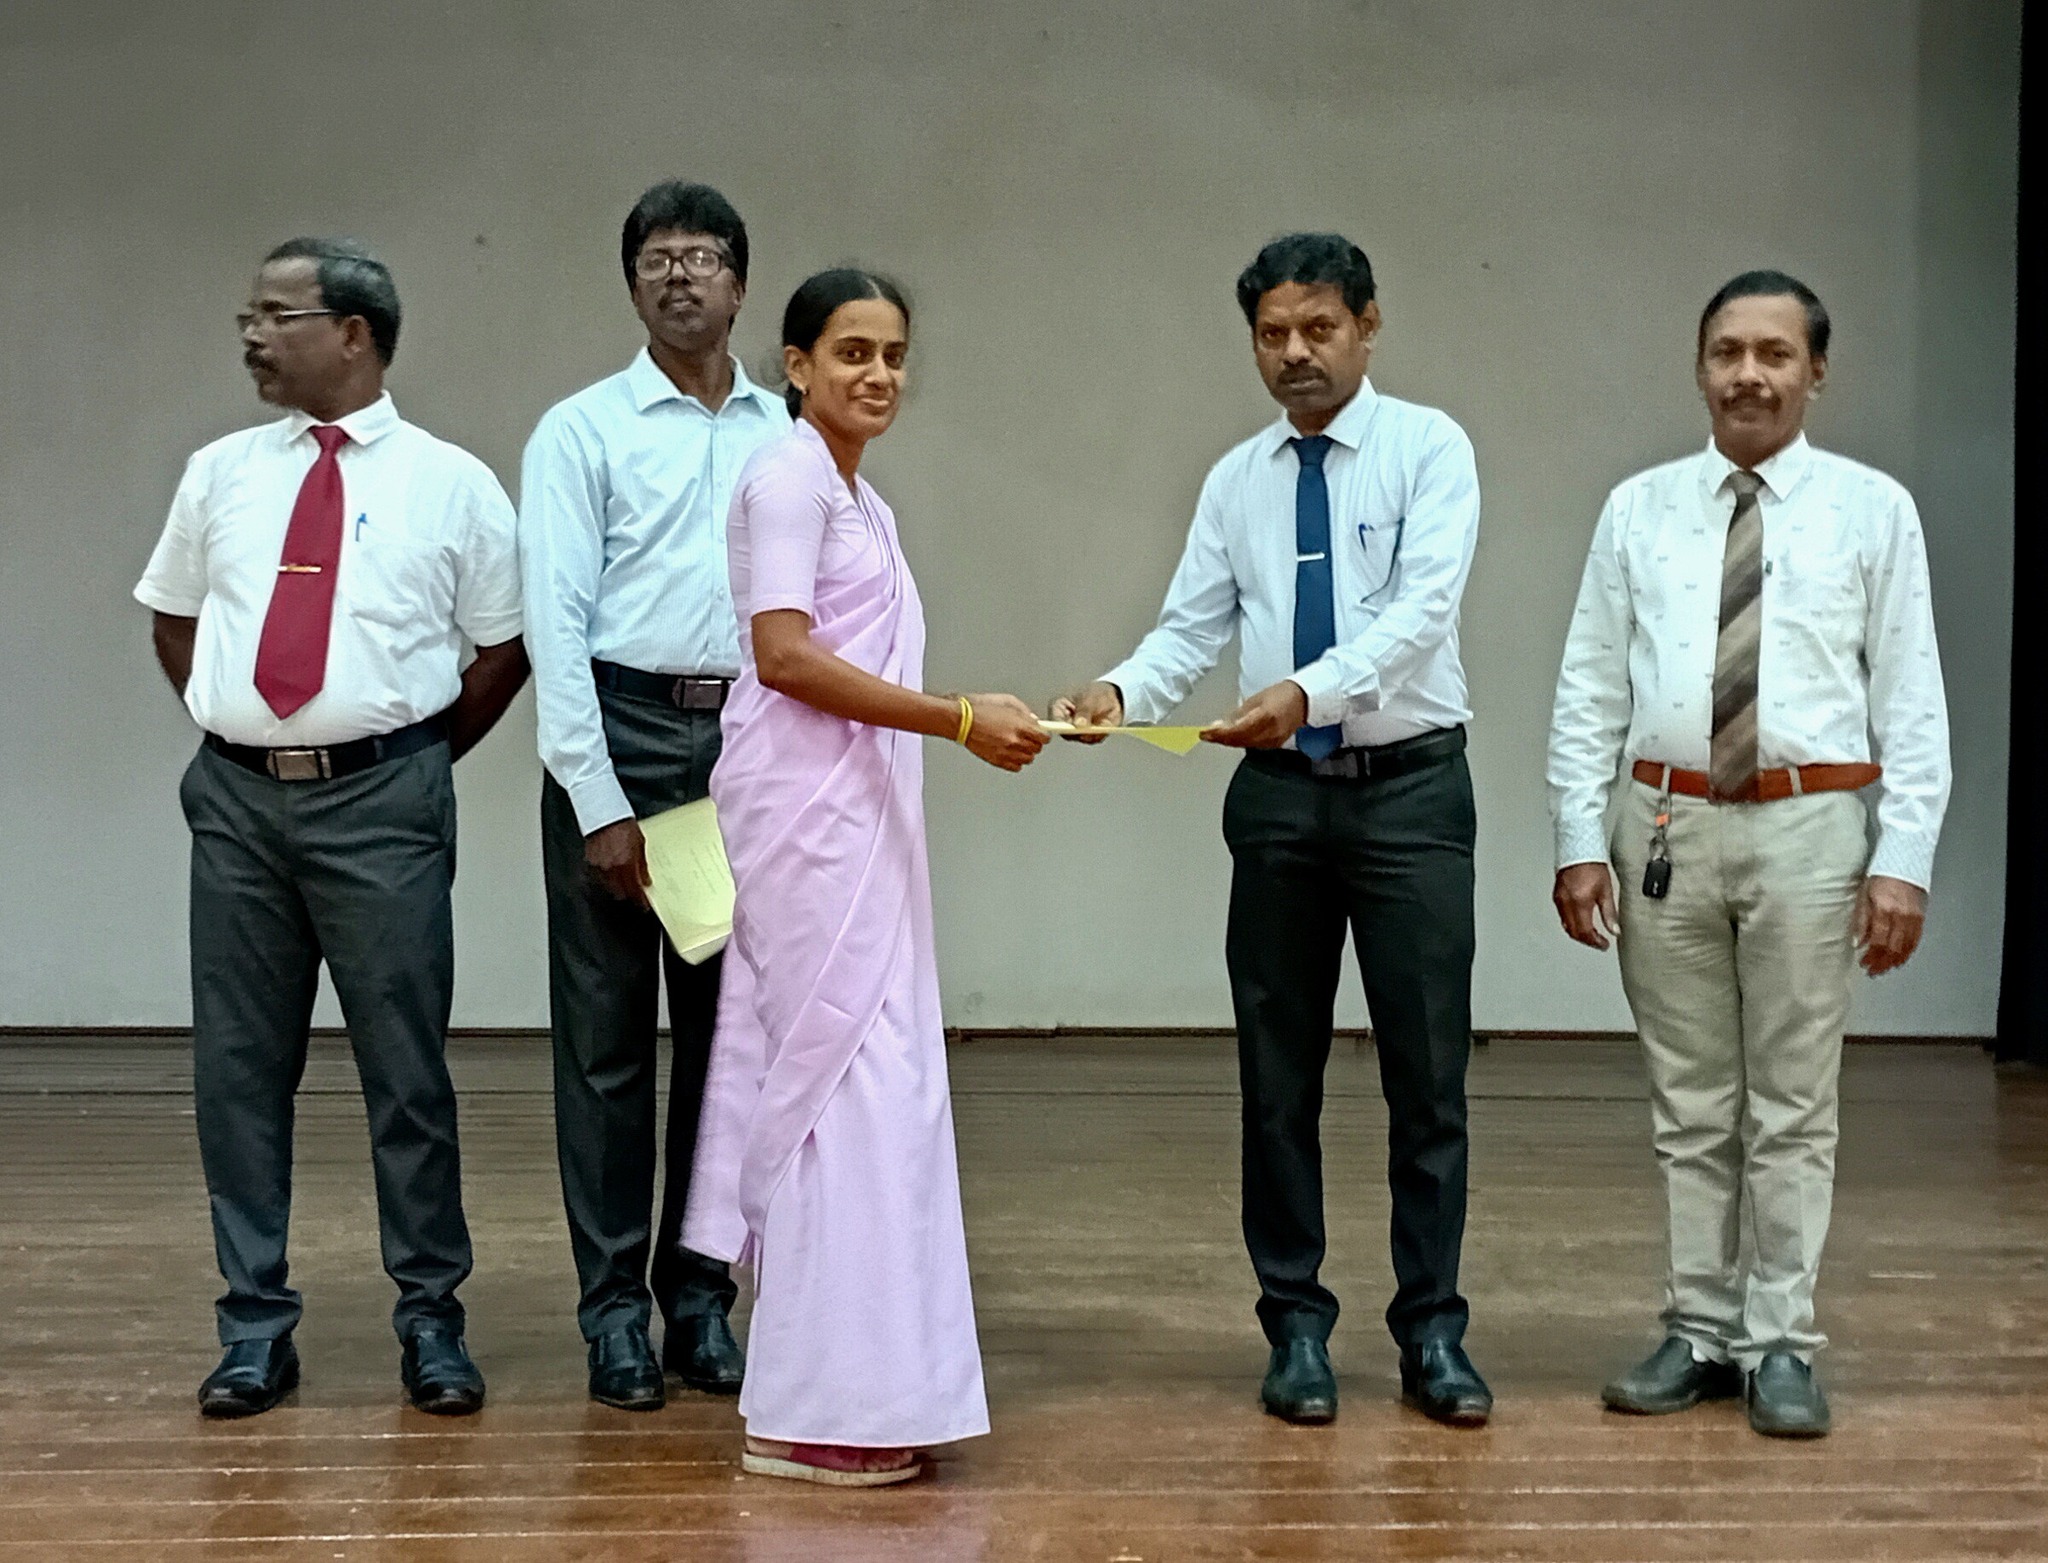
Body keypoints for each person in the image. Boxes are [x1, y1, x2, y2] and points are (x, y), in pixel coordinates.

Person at [1054, 233, 1491, 1428]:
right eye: (1270, 334)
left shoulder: (1427, 449)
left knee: (1426, 1077)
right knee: (1275, 1074)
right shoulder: (1237, 478)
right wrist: (1120, 693)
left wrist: (1308, 691)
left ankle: (1431, 1331)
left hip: (1408, 793)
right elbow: (1189, 626)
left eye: (1317, 329)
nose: (1294, 352)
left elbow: (1419, 614)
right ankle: (1294, 1325)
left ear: (1367, 325)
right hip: (1279, 801)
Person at [1546, 270, 1951, 1438]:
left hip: (1808, 831)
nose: (1747, 374)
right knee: (1686, 1104)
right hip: (1663, 826)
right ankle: (1696, 1330)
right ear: (1698, 367)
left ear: (1814, 372)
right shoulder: (1637, 509)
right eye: (1726, 351)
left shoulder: (1872, 510)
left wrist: (1901, 859)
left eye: (1774, 354)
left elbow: (1910, 697)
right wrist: (1577, 839)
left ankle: (1779, 1341)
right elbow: (1587, 686)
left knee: (1789, 1103)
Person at [134, 237, 529, 1418]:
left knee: (405, 1072)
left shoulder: (452, 483)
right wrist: (245, 729)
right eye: (248, 317)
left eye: (276, 315)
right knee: (238, 1070)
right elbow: (174, 620)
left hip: (383, 806)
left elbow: (503, 648)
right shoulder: (218, 473)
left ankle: (432, 1321)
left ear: (353, 333)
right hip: (237, 806)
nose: (252, 337)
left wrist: (403, 759)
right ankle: (254, 1325)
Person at [683, 269, 1046, 1485]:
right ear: (794, 365)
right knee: (840, 1081)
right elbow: (782, 656)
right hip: (804, 816)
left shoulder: (859, 498)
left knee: (879, 1086)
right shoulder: (787, 477)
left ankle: (861, 1394)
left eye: (892, 354)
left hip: (857, 816)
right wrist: (956, 718)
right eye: (851, 353)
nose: (878, 374)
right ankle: (810, 1410)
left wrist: (956, 721)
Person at [518, 181, 790, 1410]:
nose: (680, 277)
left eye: (702, 257)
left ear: (741, 283)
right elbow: (554, 624)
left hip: (747, 745)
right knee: (608, 1052)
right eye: (656, 260)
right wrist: (597, 801)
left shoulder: (786, 430)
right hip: (624, 737)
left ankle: (699, 1302)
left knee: (728, 1048)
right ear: (630, 286)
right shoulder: (581, 431)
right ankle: (613, 1315)